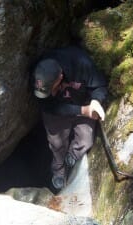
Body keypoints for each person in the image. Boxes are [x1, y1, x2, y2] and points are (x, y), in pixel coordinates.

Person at [32, 46, 108, 192]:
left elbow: (100, 86)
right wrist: (82, 111)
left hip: (82, 101)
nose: (49, 92)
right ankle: (58, 169)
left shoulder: (81, 64)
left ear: (60, 77)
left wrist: (96, 101)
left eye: (51, 88)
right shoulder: (38, 78)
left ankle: (73, 155)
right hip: (57, 109)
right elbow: (50, 107)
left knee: (86, 140)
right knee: (57, 143)